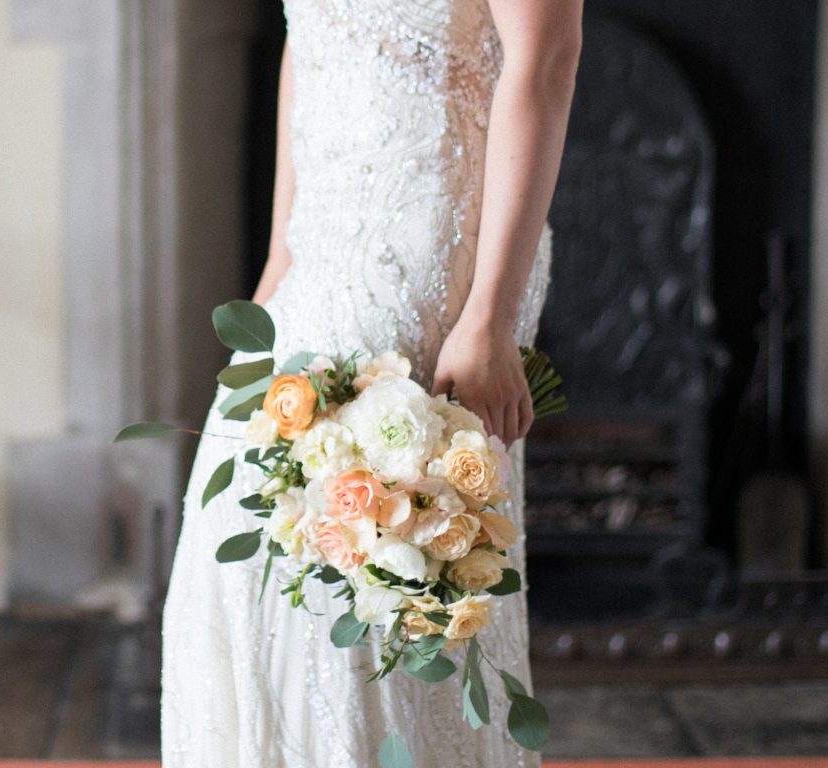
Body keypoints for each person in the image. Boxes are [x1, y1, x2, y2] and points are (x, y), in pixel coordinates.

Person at [161, 1, 584, 766]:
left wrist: (488, 317)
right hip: (321, 253)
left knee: (384, 571)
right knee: (241, 536)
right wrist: (277, 262)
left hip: (429, 257)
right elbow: (308, 39)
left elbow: (546, 62)